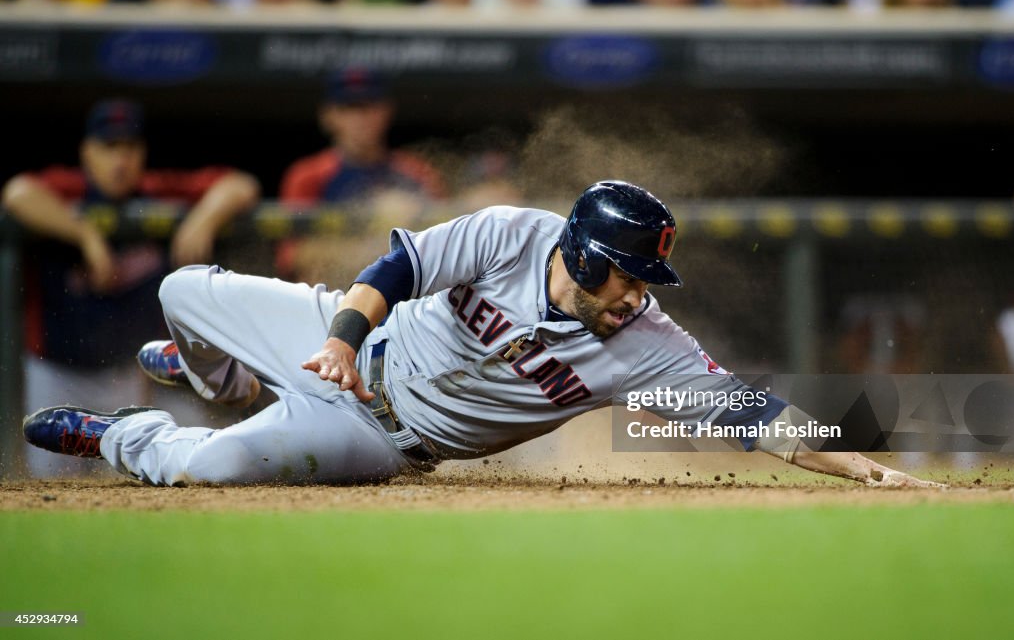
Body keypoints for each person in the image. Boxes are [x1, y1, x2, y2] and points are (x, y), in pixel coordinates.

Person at [23, 180, 944, 488]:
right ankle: (215, 377)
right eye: (627, 275)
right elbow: (394, 272)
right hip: (338, 339)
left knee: (205, 470)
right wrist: (341, 337)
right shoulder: (511, 233)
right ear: (583, 258)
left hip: (374, 434)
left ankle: (118, 436)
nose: (636, 296)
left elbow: (752, 412)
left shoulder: (646, 344)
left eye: (645, 281)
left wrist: (846, 456)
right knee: (182, 288)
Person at [2, 98, 259, 475]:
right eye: (108, 147)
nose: (120, 160)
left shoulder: (156, 192)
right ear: (87, 152)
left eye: (129, 147)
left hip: (124, 372)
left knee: (132, 475)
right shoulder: (67, 190)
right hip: (55, 371)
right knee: (51, 479)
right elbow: (16, 193)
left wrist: (204, 216)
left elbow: (241, 184)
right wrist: (85, 234)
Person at [277, 68, 444, 283]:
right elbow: (293, 257)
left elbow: (443, 246)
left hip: (401, 303)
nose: (360, 118)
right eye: (349, 108)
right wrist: (381, 239)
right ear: (329, 116)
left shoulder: (416, 172)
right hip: (332, 299)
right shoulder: (308, 175)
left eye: (369, 106)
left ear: (386, 111)